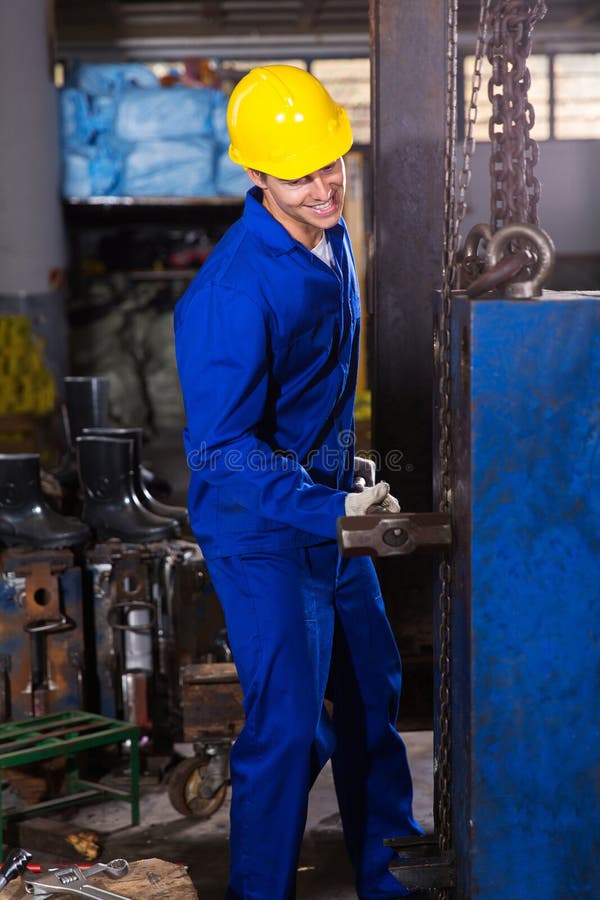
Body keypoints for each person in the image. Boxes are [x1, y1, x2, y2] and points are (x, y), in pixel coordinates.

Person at [174, 64, 422, 900]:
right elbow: (221, 449)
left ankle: (392, 875)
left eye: (331, 163)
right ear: (254, 176)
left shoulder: (333, 234)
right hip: (264, 534)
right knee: (287, 732)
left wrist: (341, 467)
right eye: (300, 174)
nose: (324, 187)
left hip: (328, 513)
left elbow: (311, 389)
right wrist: (325, 502)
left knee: (370, 702)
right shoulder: (231, 294)